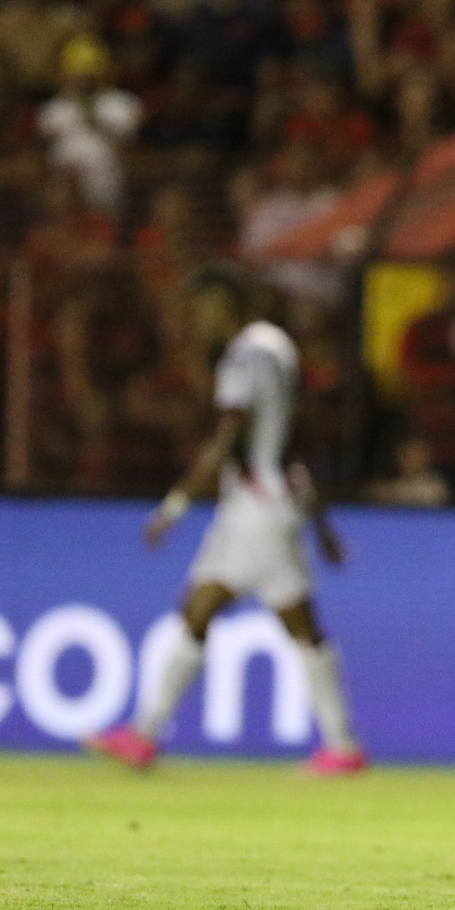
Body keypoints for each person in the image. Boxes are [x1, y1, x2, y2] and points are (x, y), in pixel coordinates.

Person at [86, 264, 367, 776]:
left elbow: (227, 436)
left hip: (255, 508)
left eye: (201, 309)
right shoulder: (279, 347)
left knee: (211, 609)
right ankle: (341, 746)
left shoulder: (242, 356)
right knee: (278, 621)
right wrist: (320, 519)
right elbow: (293, 439)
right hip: (275, 502)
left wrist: (174, 505)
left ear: (224, 304)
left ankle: (144, 734)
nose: (195, 322)